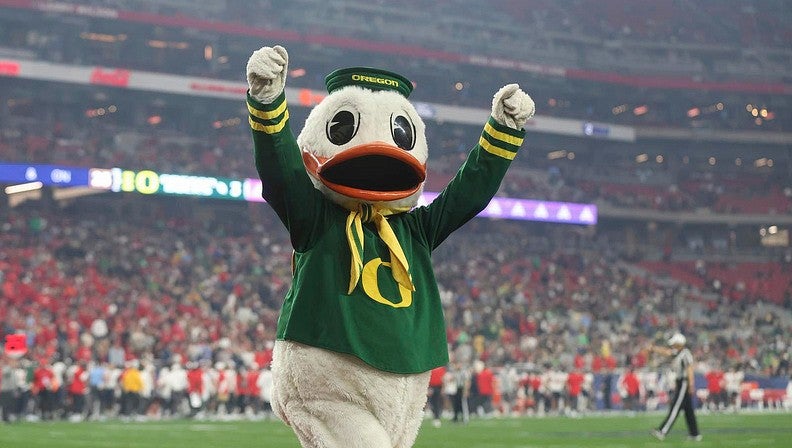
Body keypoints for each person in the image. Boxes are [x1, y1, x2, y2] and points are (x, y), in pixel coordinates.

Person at [650, 333, 702, 441]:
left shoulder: (685, 354)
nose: (672, 346)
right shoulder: (678, 353)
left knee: (675, 407)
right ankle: (695, 434)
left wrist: (691, 384)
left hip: (684, 382)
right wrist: (654, 348)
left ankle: (662, 431)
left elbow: (690, 369)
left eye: (674, 344)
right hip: (681, 382)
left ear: (679, 344)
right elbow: (667, 352)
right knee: (688, 411)